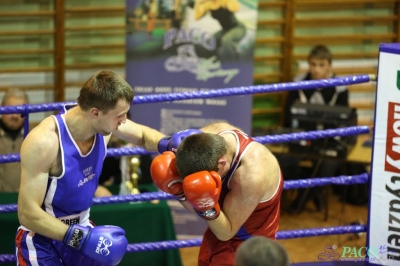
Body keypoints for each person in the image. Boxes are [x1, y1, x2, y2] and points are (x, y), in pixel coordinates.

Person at [16, 70, 167, 266]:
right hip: (42, 238)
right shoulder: (45, 141)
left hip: (82, 228)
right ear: (95, 113)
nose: (124, 121)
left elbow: (144, 136)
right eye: (120, 116)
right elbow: (27, 213)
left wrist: (171, 144)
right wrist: (80, 239)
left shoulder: (105, 126)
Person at [150, 122, 283, 266]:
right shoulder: (212, 137)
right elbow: (142, 136)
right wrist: (180, 192)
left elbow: (227, 233)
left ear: (221, 163)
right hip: (216, 233)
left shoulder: (251, 175)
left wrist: (206, 207)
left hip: (248, 251)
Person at [282, 44, 349, 214]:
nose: (316, 70)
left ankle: (300, 202)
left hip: (328, 141)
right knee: (282, 162)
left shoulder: (340, 87)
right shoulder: (298, 83)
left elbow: (343, 119)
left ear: (329, 65)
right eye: (313, 64)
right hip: (301, 138)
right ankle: (314, 193)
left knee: (328, 166)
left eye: (321, 65)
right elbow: (289, 116)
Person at [0, 88, 29, 193]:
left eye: (19, 111)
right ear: (2, 108)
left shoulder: (33, 138)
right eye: (10, 110)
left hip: (25, 201)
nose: (15, 115)